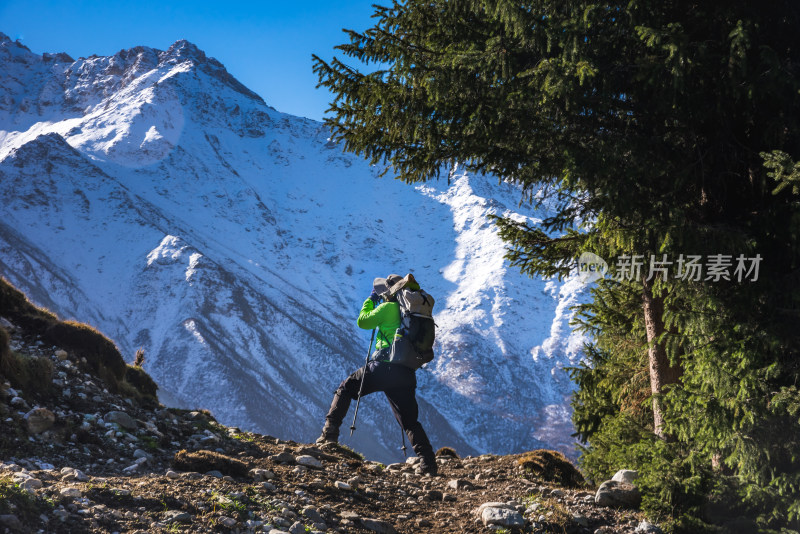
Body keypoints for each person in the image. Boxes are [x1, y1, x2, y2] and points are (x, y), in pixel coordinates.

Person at [316, 274, 437, 475]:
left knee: (345, 388)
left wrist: (370, 300)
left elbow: (363, 322)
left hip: (382, 367)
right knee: (409, 421)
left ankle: (329, 435)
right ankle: (428, 462)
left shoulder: (388, 308)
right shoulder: (412, 310)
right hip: (406, 372)